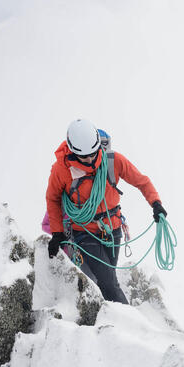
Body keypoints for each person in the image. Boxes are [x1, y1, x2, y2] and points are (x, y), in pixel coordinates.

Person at [45, 118, 167, 304]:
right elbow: (53, 198)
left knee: (108, 279)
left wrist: (156, 203)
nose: (90, 159)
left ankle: (107, 319)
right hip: (84, 232)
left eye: (93, 153)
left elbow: (141, 181)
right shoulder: (61, 169)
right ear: (72, 151)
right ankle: (131, 325)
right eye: (84, 156)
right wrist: (57, 232)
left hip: (113, 229)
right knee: (109, 283)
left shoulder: (112, 160)